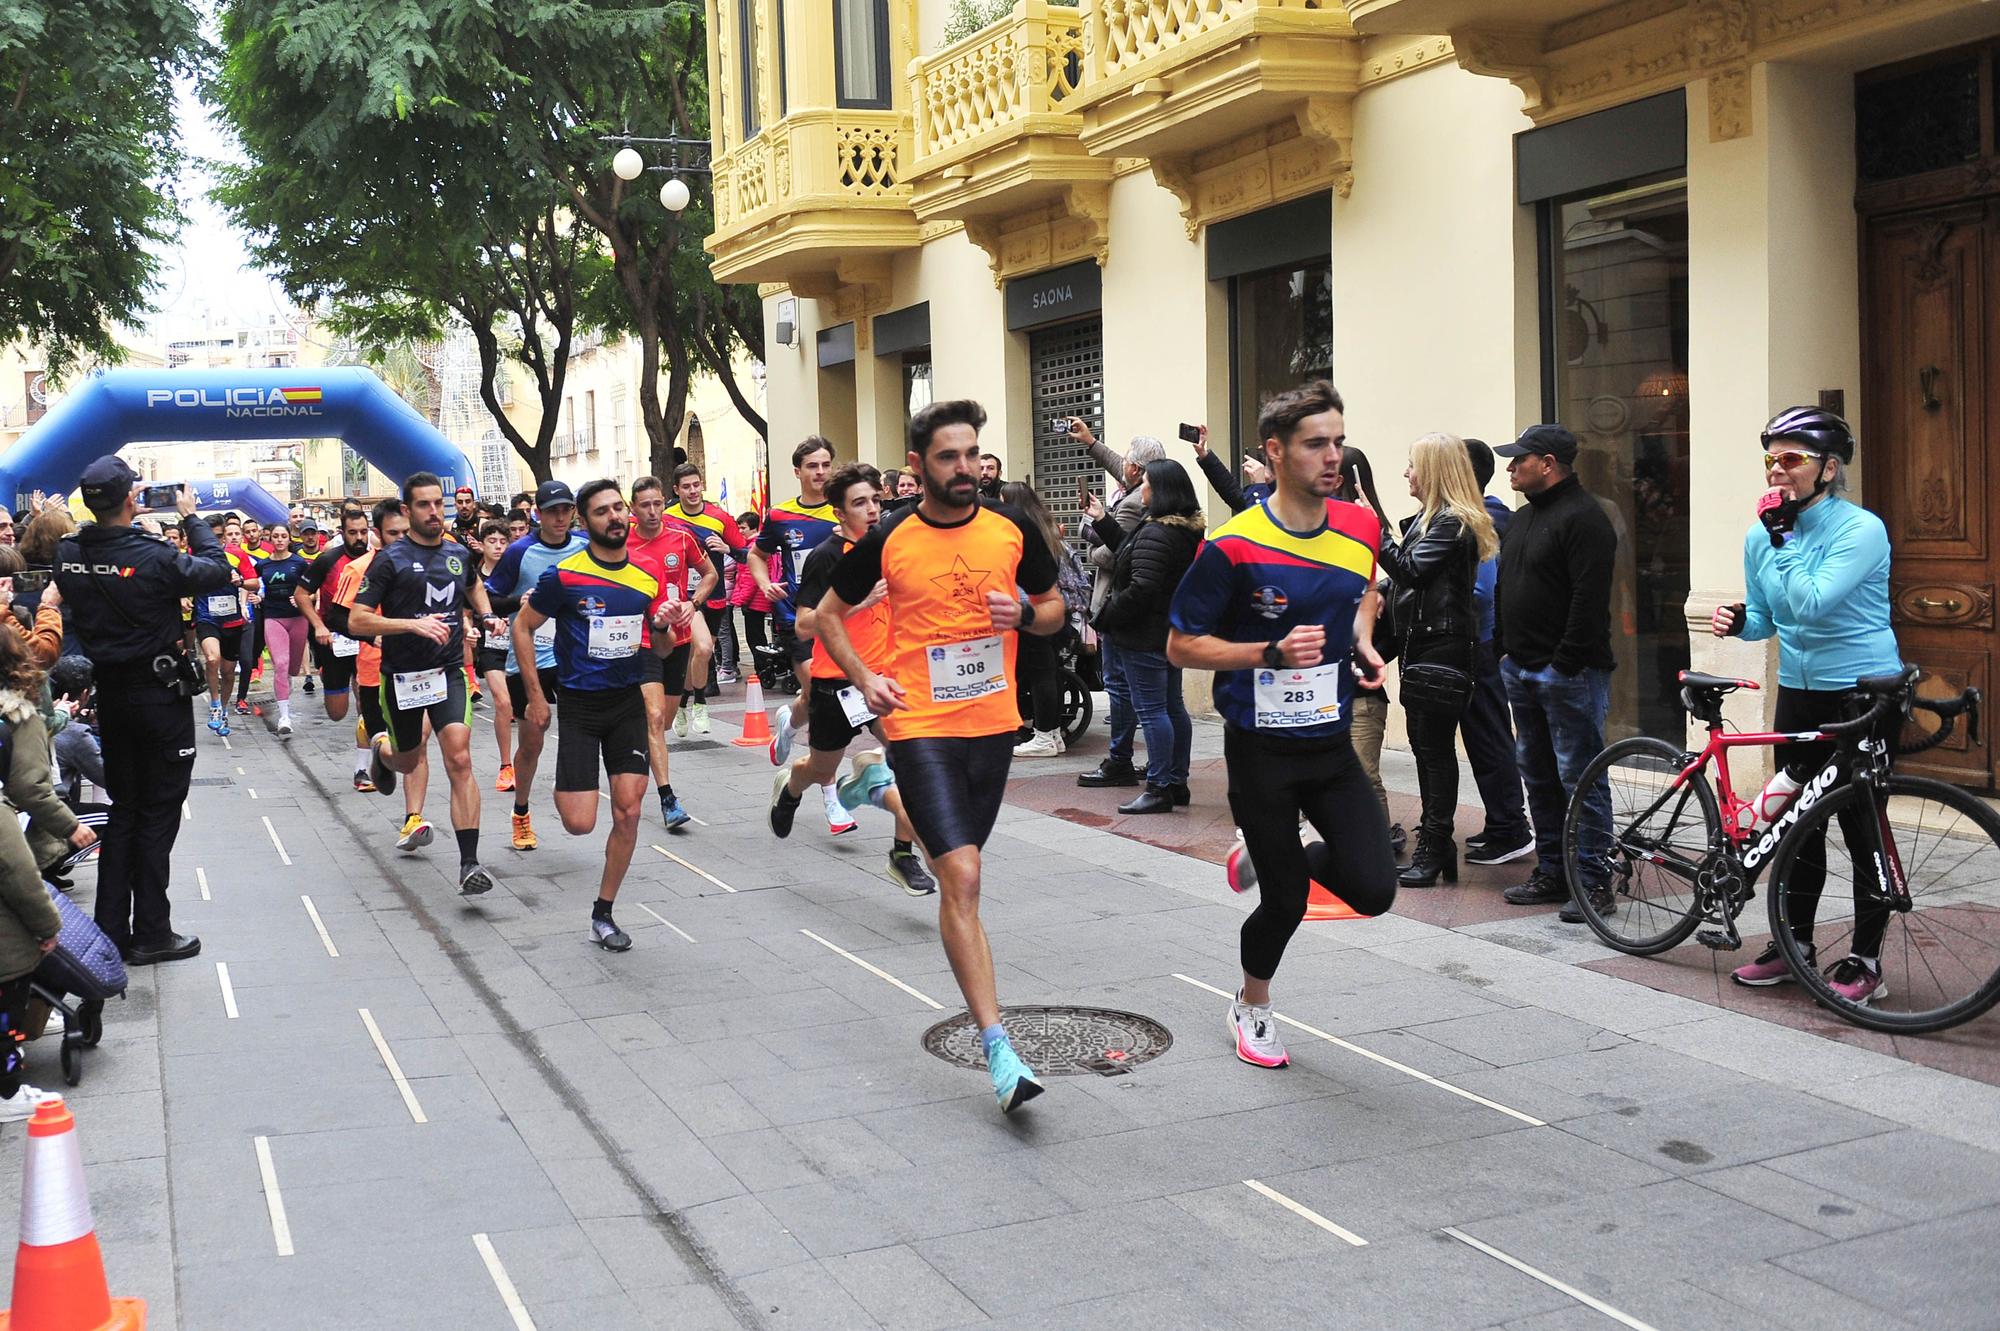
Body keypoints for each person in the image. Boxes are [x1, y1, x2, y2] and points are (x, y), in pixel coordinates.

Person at [819, 399, 1064, 1113]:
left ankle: (873, 785)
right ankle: (999, 1048)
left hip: (993, 722)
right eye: (951, 456)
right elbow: (828, 615)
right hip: (919, 718)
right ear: (920, 463)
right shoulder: (890, 537)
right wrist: (865, 679)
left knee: (954, 861)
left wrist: (1025, 614)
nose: (967, 467)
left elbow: (1053, 608)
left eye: (973, 453)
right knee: (962, 873)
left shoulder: (1012, 528)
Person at [1166, 381, 1398, 1070]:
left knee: (1375, 888)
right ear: (1276, 450)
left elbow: (1363, 592)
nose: (1334, 455)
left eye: (1338, 440)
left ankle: (1265, 860)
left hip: (1328, 739)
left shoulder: (1360, 526)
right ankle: (1252, 1004)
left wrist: (1361, 640)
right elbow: (1180, 644)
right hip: (1261, 748)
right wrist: (1264, 652)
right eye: (1315, 443)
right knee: (1288, 898)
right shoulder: (1233, 545)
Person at [1716, 407, 1901, 1002]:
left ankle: (1864, 961)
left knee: (1861, 824)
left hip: (1861, 692)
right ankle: (1792, 946)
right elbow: (1772, 617)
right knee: (1797, 826)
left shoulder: (1859, 530)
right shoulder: (1760, 535)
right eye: (1770, 459)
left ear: (1828, 468)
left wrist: (1783, 539)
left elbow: (1814, 602)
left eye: (1791, 460)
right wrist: (1741, 622)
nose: (1777, 471)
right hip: (1798, 692)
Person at [55, 460, 230, 964]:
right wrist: (192, 518)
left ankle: (110, 930)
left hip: (109, 696)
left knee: (125, 810)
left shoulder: (69, 552)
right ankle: (152, 929)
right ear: (132, 498)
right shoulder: (152, 556)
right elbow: (216, 570)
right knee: (158, 815)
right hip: (157, 697)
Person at [513, 481, 680, 951]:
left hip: (626, 701)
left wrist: (665, 625)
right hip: (581, 707)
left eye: (617, 508)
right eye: (602, 512)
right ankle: (566, 785)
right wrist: (535, 697)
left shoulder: (647, 576)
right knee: (580, 823)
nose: (615, 517)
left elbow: (662, 647)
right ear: (586, 523)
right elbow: (522, 627)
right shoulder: (565, 576)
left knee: (628, 810)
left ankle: (603, 913)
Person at [771, 462, 936, 897]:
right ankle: (791, 787)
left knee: (919, 765)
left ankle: (902, 854)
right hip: (835, 685)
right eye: (859, 503)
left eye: (875, 501)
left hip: (885, 679)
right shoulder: (827, 556)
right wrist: (859, 603)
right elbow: (805, 625)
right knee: (820, 768)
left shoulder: (888, 548)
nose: (871, 510)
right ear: (839, 512)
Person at [348, 473, 507, 896]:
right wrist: (410, 626)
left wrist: (487, 615)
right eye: (424, 505)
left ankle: (469, 863)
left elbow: (474, 586)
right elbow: (356, 619)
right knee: (407, 759)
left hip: (449, 672)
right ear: (407, 510)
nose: (434, 512)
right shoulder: (390, 559)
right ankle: (382, 754)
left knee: (459, 757)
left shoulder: (458, 554)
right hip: (402, 677)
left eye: (439, 503)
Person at [1492, 425, 1619, 920]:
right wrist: (1505, 649)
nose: (1509, 468)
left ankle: (1593, 882)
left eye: (1518, 460)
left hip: (1568, 673)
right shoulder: (1524, 520)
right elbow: (1507, 584)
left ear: (1547, 463)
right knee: (1539, 777)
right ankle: (1552, 870)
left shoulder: (1586, 517)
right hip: (1521, 670)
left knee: (1581, 779)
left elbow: (1589, 599)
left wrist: (1564, 661)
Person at [1377, 434, 1498, 887]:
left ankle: (1436, 842)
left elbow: (1410, 569)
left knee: (1434, 751)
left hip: (1441, 649)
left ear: (1434, 471)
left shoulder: (1453, 522)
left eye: (1412, 465)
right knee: (1427, 750)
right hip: (1425, 646)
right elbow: (1411, 580)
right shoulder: (1435, 520)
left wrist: (1375, 529)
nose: (1407, 474)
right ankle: (1435, 842)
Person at [1086, 459, 1205, 811]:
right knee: (1172, 707)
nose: (1143, 490)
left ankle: (1159, 786)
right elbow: (1133, 552)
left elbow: (1142, 587)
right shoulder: (1182, 529)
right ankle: (1176, 782)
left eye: (1148, 484)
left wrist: (1108, 616)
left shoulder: (1157, 531)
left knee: (1153, 711)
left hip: (1144, 634)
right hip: (1169, 632)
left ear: (1163, 490)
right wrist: (1103, 520)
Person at [755, 437, 854, 836]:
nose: (820, 472)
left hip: (848, 623)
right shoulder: (781, 516)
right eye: (812, 466)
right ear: (797, 471)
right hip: (802, 618)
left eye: (825, 464)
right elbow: (756, 555)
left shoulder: (845, 508)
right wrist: (764, 584)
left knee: (817, 700)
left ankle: (787, 721)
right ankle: (832, 798)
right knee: (820, 694)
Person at [1065, 417, 1166, 790]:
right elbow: (1118, 465)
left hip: (1117, 605)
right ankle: (1162, 769)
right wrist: (1091, 442)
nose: (1121, 465)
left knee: (1123, 688)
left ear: (1138, 470)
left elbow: (1110, 556)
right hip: (1146, 611)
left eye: (1127, 462)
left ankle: (1124, 760)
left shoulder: (1134, 503)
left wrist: (1090, 532)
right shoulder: (1155, 492)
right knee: (1156, 699)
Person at [485, 481, 587, 850]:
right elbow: (490, 598)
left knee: (580, 735)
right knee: (532, 742)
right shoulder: (519, 552)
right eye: (552, 511)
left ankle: (574, 800)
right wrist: (518, 601)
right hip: (529, 660)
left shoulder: (583, 546)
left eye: (565, 510)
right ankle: (521, 811)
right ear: (537, 515)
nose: (560, 517)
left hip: (575, 658)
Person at [1451, 439, 1534, 866]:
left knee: (1489, 736)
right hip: (1490, 645)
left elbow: (1482, 593)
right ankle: (1505, 822)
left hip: (1482, 645)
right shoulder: (1499, 516)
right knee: (1489, 735)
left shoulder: (1482, 522)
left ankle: (1510, 827)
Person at [334, 502, 434, 833]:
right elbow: (336, 616)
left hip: (421, 667)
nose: (403, 539)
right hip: (375, 671)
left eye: (407, 532)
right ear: (378, 535)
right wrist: (372, 633)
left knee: (419, 740)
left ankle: (413, 819)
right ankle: (377, 745)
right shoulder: (358, 569)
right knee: (398, 745)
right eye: (394, 534)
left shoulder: (428, 563)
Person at [626, 476, 713, 829]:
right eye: (644, 505)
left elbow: (709, 574)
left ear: (665, 503)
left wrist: (693, 604)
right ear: (633, 507)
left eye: (657, 504)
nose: (651, 511)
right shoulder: (622, 541)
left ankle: (640, 748)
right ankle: (668, 799)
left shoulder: (681, 537)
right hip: (642, 640)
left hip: (676, 639)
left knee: (662, 720)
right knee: (656, 717)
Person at [661, 463, 747, 729]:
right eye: (686, 487)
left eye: (696, 485)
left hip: (716, 596)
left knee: (698, 655)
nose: (692, 491)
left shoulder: (719, 516)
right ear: (676, 490)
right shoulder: (667, 517)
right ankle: (700, 703)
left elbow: (747, 554)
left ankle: (683, 704)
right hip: (685, 597)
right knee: (704, 648)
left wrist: (727, 548)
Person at [1005, 482, 1086, 759]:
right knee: (1047, 673)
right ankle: (1051, 734)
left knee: (1038, 674)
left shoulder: (1020, 534)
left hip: (1033, 612)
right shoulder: (1048, 530)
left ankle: (1043, 736)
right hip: (1057, 613)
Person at [296, 506, 371, 743]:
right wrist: (318, 625)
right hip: (333, 639)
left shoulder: (378, 559)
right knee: (337, 712)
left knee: (367, 701)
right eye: (352, 533)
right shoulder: (328, 559)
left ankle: (366, 767)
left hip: (367, 639)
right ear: (342, 532)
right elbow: (300, 594)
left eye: (363, 532)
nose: (359, 538)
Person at [192, 516, 258, 736]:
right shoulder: (195, 554)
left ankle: (224, 709)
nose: (215, 540)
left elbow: (254, 583)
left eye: (219, 536)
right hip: (206, 616)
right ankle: (214, 705)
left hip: (232, 619)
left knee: (228, 672)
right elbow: (181, 579)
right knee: (212, 659)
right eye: (211, 535)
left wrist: (239, 581)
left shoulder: (237, 553)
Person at [253, 523, 311, 736]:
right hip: (273, 617)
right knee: (280, 664)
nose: (279, 540)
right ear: (270, 539)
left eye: (283, 536)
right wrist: (256, 596)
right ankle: (284, 716)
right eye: (275, 536)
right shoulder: (263, 565)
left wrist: (303, 599)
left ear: (289, 539)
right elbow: (256, 586)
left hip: (297, 619)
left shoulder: (300, 563)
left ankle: (285, 684)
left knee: (291, 670)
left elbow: (313, 591)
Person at [473, 520, 519, 788]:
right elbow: (465, 611)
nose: (498, 547)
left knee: (525, 709)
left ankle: (523, 758)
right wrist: (470, 629)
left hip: (519, 646)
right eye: (492, 541)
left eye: (503, 541)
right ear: (482, 544)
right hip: (491, 647)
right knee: (502, 703)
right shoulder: (475, 577)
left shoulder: (515, 573)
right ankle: (505, 766)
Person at [732, 512, 778, 689]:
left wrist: (740, 600)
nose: (740, 531)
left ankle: (763, 669)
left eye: (743, 528)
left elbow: (749, 578)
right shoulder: (756, 546)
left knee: (755, 638)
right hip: (757, 599)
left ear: (754, 527)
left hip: (754, 601)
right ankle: (764, 667)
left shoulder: (754, 548)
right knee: (758, 636)